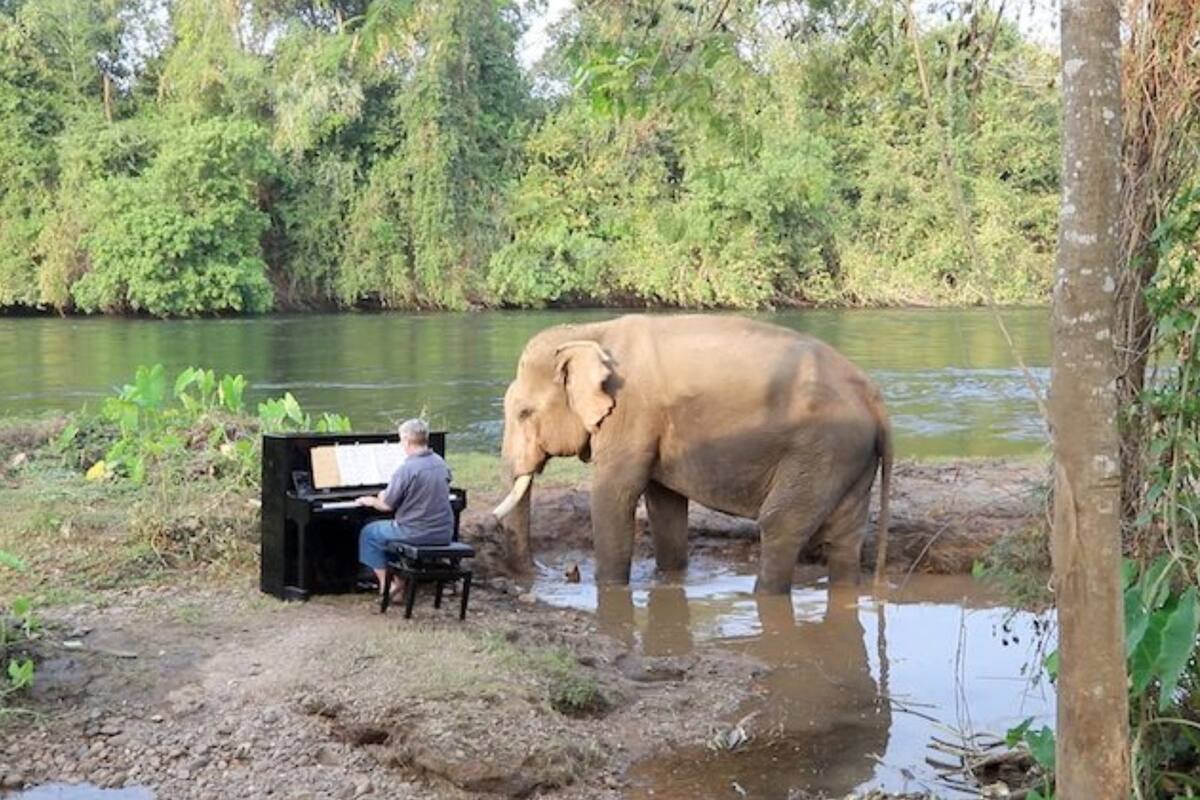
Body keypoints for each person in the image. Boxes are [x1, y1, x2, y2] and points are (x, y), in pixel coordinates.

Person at [356, 418, 453, 600]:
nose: (401, 444)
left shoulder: (407, 468)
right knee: (385, 530)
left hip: (415, 532)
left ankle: (389, 586)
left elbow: (386, 505)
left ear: (407, 440)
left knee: (369, 532)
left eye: (401, 440)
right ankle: (399, 575)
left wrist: (371, 500)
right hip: (443, 532)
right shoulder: (441, 463)